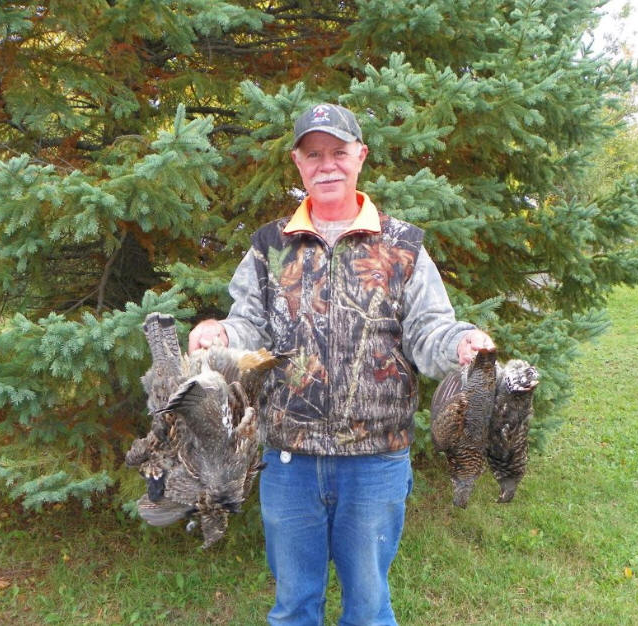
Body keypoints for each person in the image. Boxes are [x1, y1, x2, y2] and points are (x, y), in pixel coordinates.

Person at [189, 103, 494, 626]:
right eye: (313, 154)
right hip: (289, 460)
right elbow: (248, 327)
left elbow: (429, 331)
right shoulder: (270, 245)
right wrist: (220, 334)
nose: (326, 164)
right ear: (298, 163)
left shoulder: (403, 245)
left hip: (376, 460)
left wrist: (463, 342)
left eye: (338, 152)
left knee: (370, 609)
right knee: (293, 608)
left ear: (361, 156)